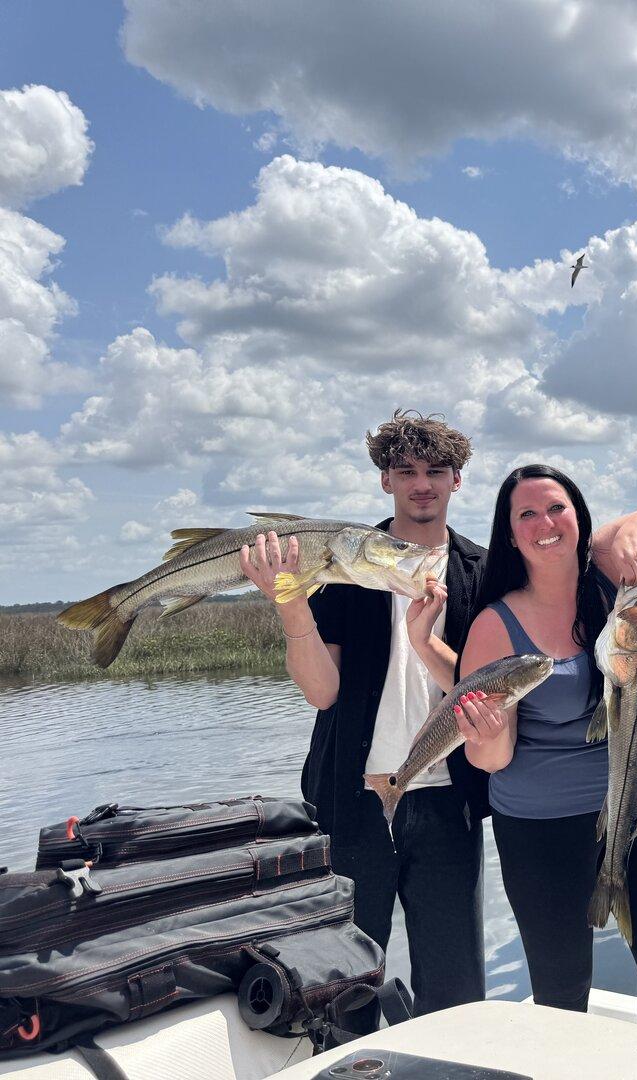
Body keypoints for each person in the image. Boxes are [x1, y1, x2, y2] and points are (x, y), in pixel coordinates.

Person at [240, 410, 490, 1024]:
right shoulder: (345, 565)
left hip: (447, 803)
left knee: (454, 991)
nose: (421, 484)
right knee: (343, 989)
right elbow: (322, 692)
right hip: (352, 801)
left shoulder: (481, 573)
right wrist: (289, 601)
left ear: (458, 480)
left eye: (436, 470)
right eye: (405, 471)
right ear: (385, 481)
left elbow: (488, 689)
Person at [448, 464, 637, 1035]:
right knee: (563, 989)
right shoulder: (496, 626)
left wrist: (634, 530)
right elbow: (488, 761)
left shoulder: (608, 579)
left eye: (557, 509)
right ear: (510, 533)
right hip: (538, 827)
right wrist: (487, 731)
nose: (545, 524)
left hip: (631, 809)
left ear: (578, 517)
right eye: (527, 514)